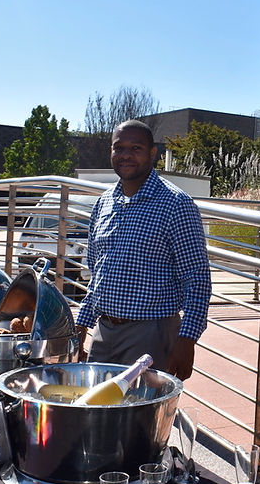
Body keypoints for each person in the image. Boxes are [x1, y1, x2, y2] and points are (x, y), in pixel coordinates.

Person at [74, 120, 211, 381]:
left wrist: (187, 340)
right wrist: (81, 325)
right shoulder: (103, 203)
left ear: (152, 154)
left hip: (152, 335)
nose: (126, 155)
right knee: (96, 412)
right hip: (104, 332)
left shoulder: (175, 204)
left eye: (135, 148)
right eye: (119, 147)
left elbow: (197, 278)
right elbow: (97, 273)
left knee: (140, 418)